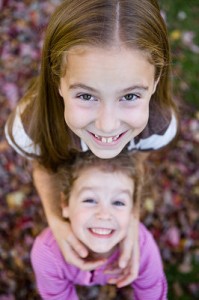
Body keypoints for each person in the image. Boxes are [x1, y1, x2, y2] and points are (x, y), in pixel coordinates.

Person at [5, 0, 178, 286]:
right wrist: (56, 221)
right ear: (58, 80)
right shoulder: (31, 128)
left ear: (156, 79)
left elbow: (139, 158)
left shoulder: (158, 127)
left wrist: (131, 215)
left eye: (130, 96)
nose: (107, 125)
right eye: (86, 96)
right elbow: (43, 165)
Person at [31, 150, 167, 300]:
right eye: (90, 200)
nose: (104, 214)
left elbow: (153, 292)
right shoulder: (48, 253)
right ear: (65, 204)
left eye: (118, 202)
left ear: (133, 211)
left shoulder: (143, 248)